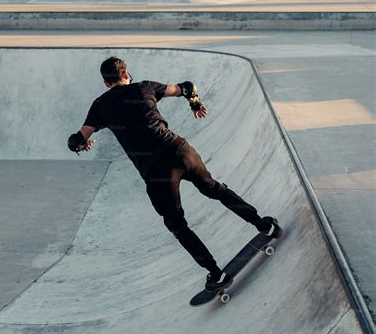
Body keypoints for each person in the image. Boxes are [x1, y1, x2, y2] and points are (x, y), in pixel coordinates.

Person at [68, 56, 282, 292]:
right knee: (214, 188)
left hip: (156, 172)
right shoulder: (146, 86)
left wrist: (82, 145)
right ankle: (263, 225)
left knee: (177, 224)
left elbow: (76, 140)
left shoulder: (100, 106)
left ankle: (216, 274)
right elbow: (187, 87)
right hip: (180, 151)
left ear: (106, 83)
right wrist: (195, 103)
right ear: (126, 75)